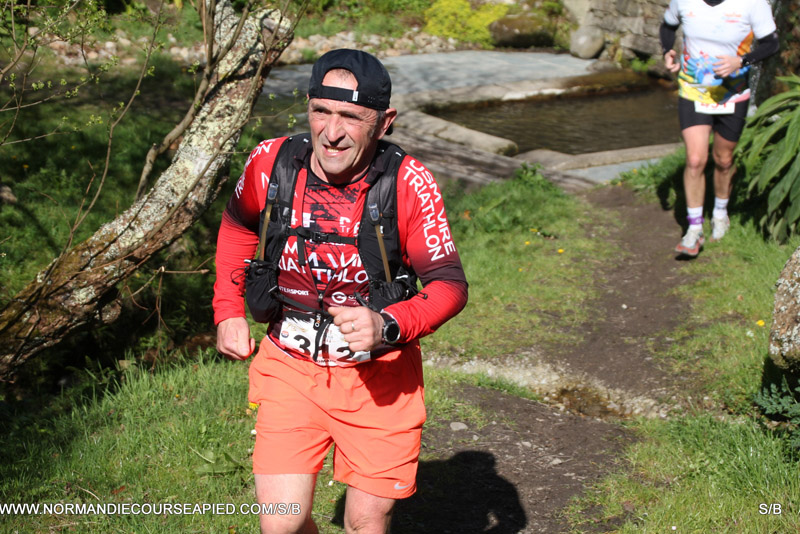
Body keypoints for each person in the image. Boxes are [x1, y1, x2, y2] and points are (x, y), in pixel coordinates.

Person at [213, 48, 468, 534]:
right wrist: (228, 309)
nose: (331, 132)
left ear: (384, 122)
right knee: (282, 525)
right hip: (290, 366)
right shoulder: (271, 163)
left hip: (381, 381)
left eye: (351, 117)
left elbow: (449, 286)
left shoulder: (408, 183)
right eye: (321, 111)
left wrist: (387, 324)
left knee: (364, 522)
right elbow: (237, 226)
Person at [660, 0, 779, 257]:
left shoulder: (753, 3)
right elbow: (667, 26)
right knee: (695, 160)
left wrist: (742, 61)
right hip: (693, 91)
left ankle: (720, 213)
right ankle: (694, 229)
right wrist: (667, 50)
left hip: (733, 94)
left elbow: (771, 43)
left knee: (724, 160)